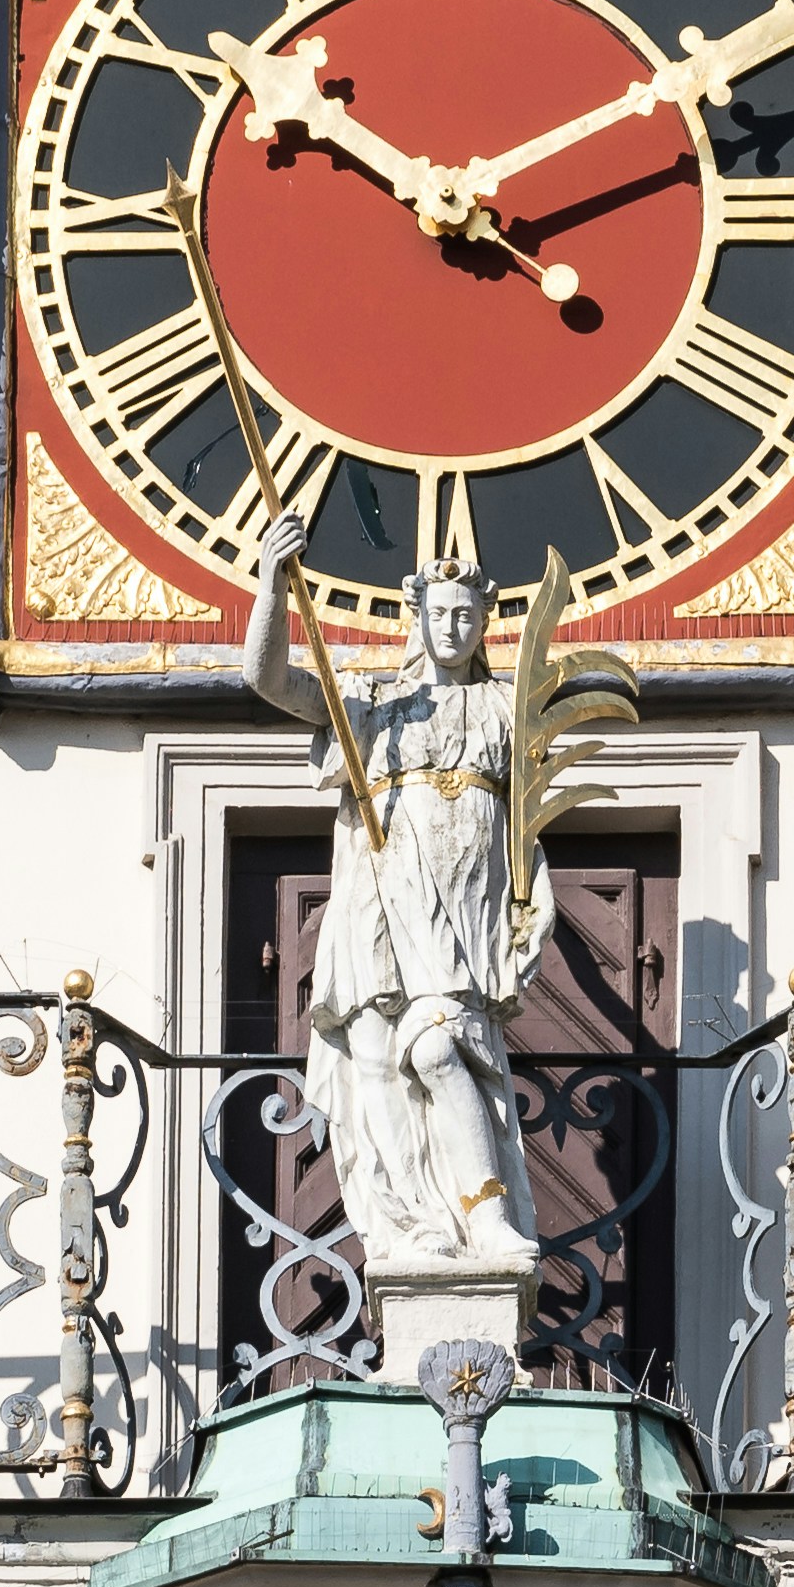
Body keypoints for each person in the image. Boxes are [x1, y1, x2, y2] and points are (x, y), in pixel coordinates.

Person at [245, 540, 538, 1277]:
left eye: (466, 614)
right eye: (439, 612)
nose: (452, 626)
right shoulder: (371, 706)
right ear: (417, 616)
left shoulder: (504, 709)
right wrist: (270, 587)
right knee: (377, 1062)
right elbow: (268, 677)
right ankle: (411, 1227)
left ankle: (487, 1215)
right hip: (376, 907)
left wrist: (534, 909)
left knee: (441, 1049)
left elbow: (528, 823)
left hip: (463, 915)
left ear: (483, 623)